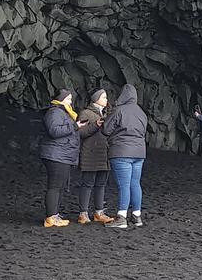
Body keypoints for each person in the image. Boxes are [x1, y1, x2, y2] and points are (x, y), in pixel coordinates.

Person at [103, 83, 148, 229]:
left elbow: (106, 130)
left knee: (124, 185)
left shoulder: (119, 110)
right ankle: (137, 216)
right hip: (139, 153)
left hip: (121, 152)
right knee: (135, 183)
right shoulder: (142, 113)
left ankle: (122, 217)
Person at [39, 90, 80, 228]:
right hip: (56, 154)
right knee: (55, 186)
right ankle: (51, 217)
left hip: (62, 154)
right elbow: (54, 131)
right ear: (60, 99)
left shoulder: (62, 112)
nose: (70, 102)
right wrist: (75, 126)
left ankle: (54, 214)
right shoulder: (55, 112)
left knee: (59, 186)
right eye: (68, 99)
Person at [77, 89, 113, 225]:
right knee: (87, 183)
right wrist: (95, 125)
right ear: (95, 99)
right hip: (90, 154)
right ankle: (83, 213)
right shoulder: (85, 113)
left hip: (103, 153)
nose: (106, 99)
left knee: (101, 184)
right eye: (103, 97)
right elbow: (80, 132)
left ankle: (99, 212)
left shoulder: (107, 113)